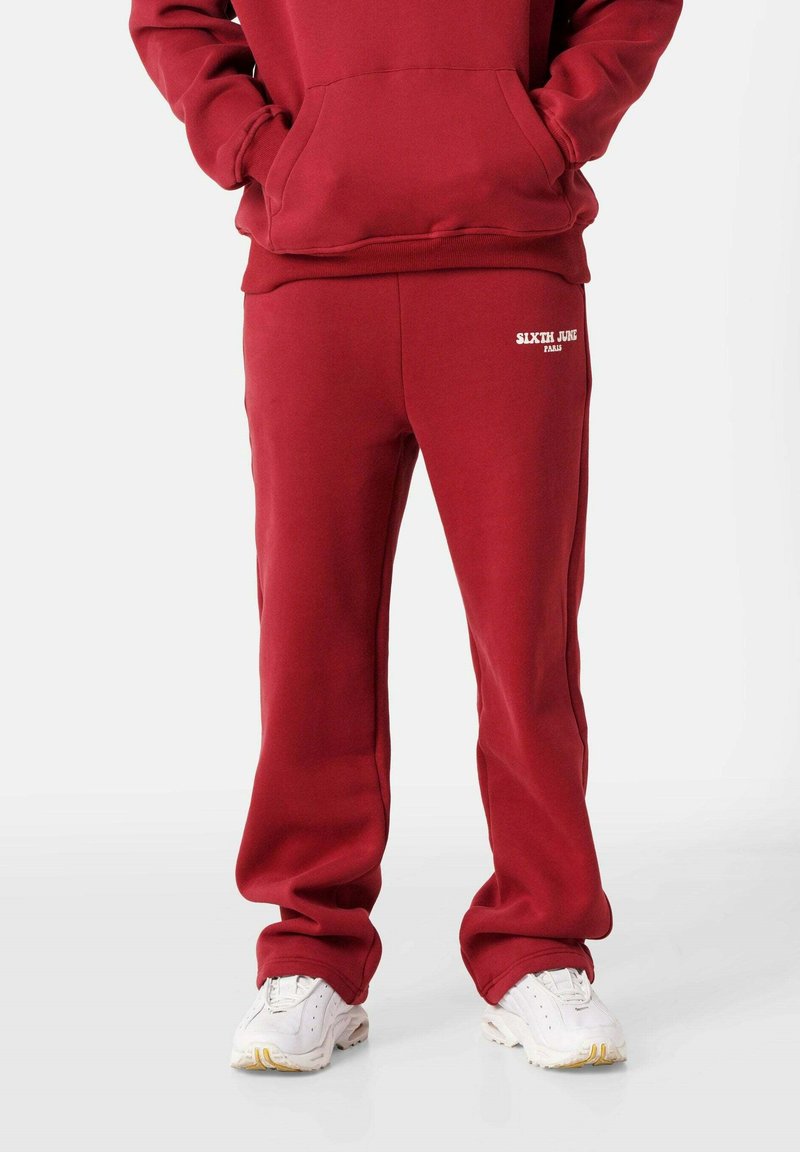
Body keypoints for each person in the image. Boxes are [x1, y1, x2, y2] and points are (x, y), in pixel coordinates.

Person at [129, 0, 682, 1072]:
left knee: (523, 634)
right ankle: (312, 957)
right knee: (309, 632)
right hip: (308, 272)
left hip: (507, 257)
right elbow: (170, 12)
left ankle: (537, 949)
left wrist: (548, 130)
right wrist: (258, 146)